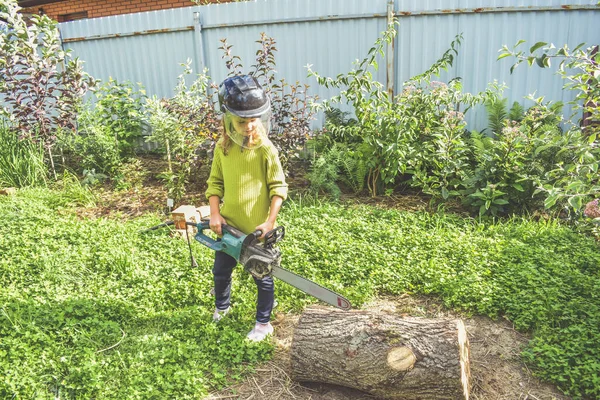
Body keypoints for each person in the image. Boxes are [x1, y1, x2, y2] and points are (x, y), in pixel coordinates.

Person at [205, 74, 288, 342]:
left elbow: (279, 188)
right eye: (242, 121)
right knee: (221, 271)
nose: (249, 125)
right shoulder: (222, 147)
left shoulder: (265, 149)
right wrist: (215, 213)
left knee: (262, 277)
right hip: (229, 228)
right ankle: (222, 307)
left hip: (256, 231)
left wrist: (270, 222)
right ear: (228, 118)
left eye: (253, 119)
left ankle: (264, 323)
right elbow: (215, 183)